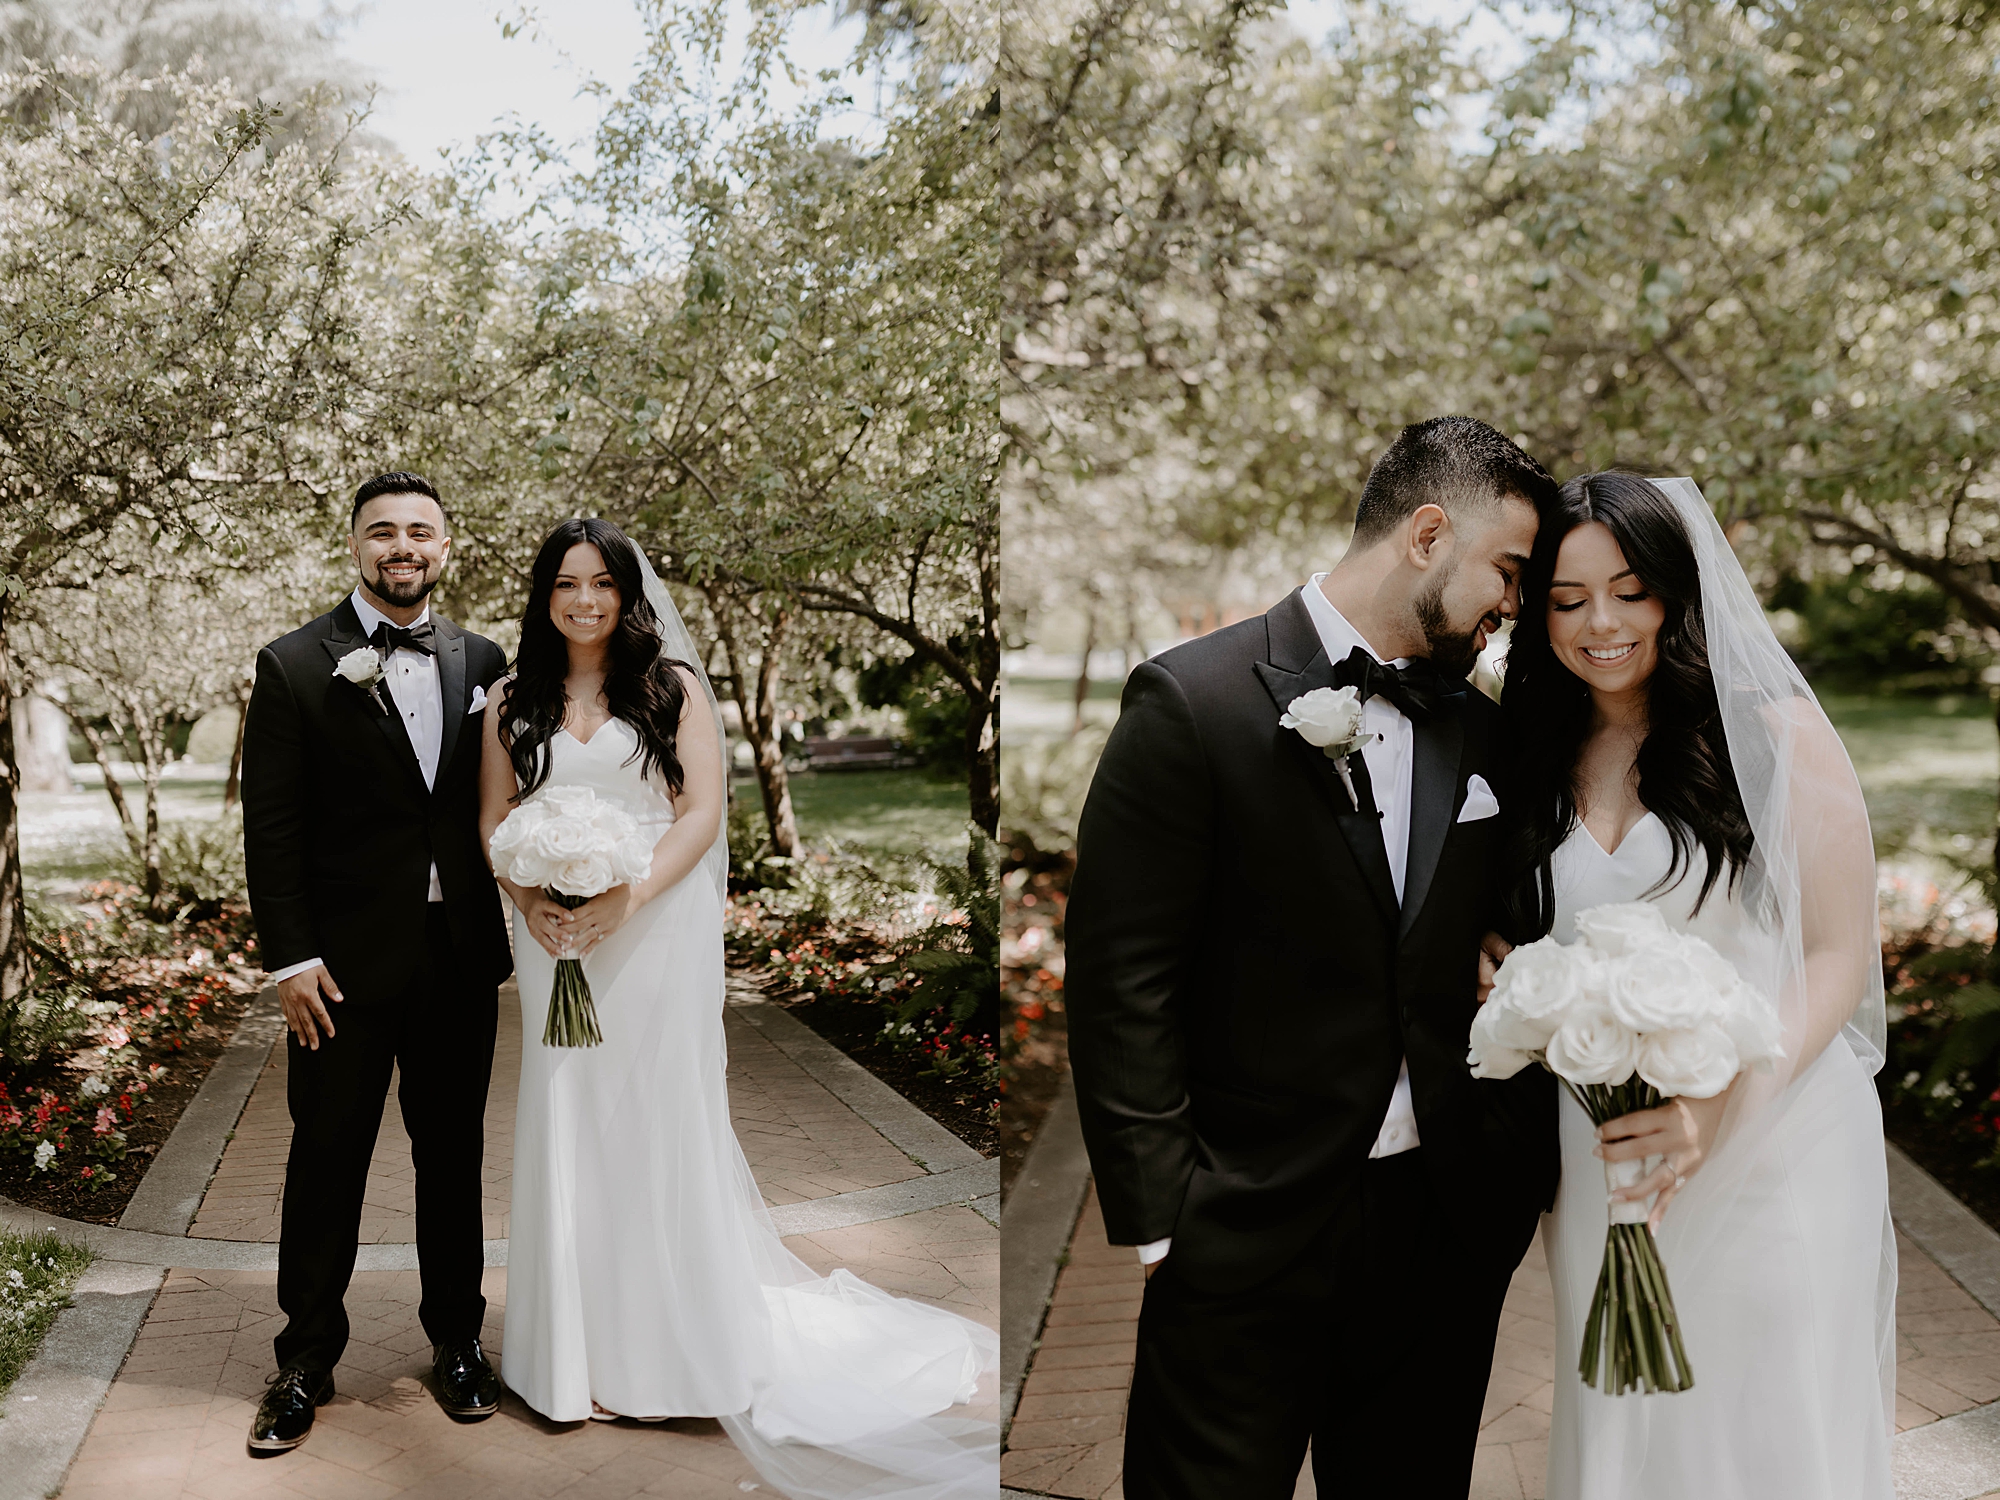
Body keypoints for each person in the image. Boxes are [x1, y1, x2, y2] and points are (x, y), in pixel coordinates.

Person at [1065, 415, 1562, 1499]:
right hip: (1241, 1223)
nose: (1512, 609)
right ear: (1428, 534)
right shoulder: (1189, 701)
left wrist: (1501, 1177)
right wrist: (1162, 1221)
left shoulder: (1480, 735)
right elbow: (1121, 978)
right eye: (1509, 574)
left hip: (1439, 1233)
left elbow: (1513, 934)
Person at [481, 516, 998, 1498]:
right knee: (566, 1124)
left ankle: (666, 1356)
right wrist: (537, 904)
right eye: (565, 584)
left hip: (653, 931)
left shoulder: (672, 689)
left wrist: (621, 899)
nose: (583, 600)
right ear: (542, 594)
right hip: (553, 943)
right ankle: (568, 1359)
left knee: (656, 1125)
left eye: (601, 583)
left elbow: (700, 813)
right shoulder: (508, 698)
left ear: (625, 594)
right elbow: (493, 818)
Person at [1488, 472, 1895, 1498]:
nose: (1599, 624)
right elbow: (1510, 921)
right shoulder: (1528, 754)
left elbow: (1833, 956)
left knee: (1760, 1421)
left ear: (1674, 593)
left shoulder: (1771, 737)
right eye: (1567, 600)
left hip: (1773, 1140)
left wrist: (1719, 1107)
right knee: (1622, 1423)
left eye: (1628, 590)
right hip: (1602, 1154)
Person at [240, 472, 513, 1453]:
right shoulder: (294, 663)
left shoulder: (484, 659)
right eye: (383, 531)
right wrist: (290, 959)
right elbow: (270, 829)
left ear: (446, 546)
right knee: (326, 1163)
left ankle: (457, 1346)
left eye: (420, 532)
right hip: (341, 973)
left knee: (453, 1161)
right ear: (356, 545)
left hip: (455, 962)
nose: (403, 546)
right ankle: (302, 1361)